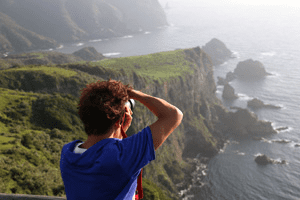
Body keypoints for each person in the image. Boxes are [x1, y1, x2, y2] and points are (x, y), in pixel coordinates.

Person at [60, 79, 183, 200]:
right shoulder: (121, 157)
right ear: (120, 119)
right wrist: (132, 93)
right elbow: (174, 115)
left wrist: (119, 130)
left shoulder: (67, 153)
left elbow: (101, 155)